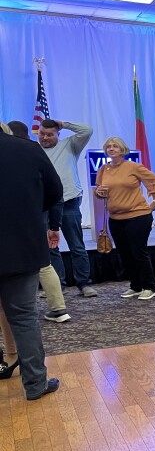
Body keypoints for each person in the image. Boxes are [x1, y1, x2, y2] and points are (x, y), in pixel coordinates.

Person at [0, 122, 63, 399]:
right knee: (24, 318)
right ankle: (36, 385)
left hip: (20, 246)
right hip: (21, 246)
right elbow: (55, 191)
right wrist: (28, 208)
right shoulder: (27, 149)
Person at [6, 121, 70, 322]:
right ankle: (59, 308)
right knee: (44, 263)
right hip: (34, 219)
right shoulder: (34, 151)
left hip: (11, 221)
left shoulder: (10, 153)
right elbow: (56, 192)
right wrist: (52, 224)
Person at [94, 137, 155, 300]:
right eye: (108, 146)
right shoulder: (103, 169)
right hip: (115, 218)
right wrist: (99, 192)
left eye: (115, 146)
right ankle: (135, 286)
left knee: (138, 252)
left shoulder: (133, 167)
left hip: (137, 216)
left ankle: (149, 287)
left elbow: (154, 181)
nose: (111, 148)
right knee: (124, 253)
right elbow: (98, 190)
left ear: (122, 149)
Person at [38, 118, 97, 297]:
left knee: (76, 245)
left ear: (58, 134)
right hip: (45, 204)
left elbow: (87, 130)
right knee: (51, 248)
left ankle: (84, 284)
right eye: (42, 134)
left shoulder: (70, 145)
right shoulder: (33, 150)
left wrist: (63, 124)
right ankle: (57, 286)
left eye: (50, 134)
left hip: (69, 201)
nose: (45, 138)